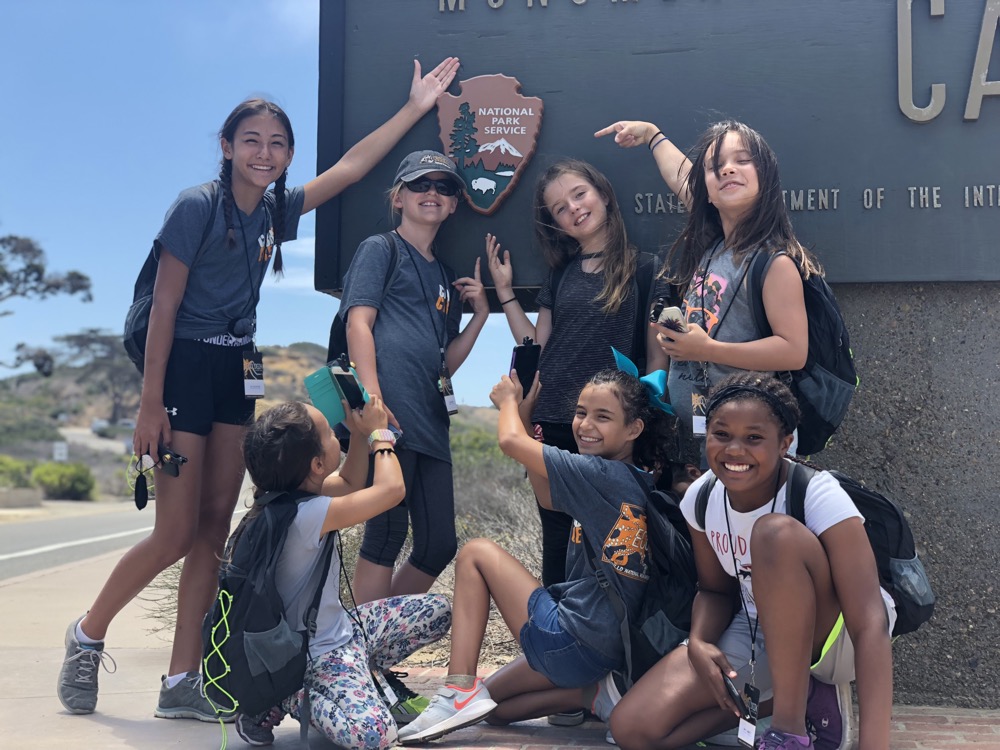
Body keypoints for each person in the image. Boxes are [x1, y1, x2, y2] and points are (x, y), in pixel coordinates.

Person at [57, 57, 461, 720]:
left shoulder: (278, 209)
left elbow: (354, 167)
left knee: (215, 530)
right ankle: (87, 633)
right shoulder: (197, 207)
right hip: (183, 365)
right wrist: (150, 402)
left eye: (277, 144)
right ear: (226, 146)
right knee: (174, 532)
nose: (264, 153)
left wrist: (417, 108)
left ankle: (181, 681)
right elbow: (164, 307)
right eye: (251, 140)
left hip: (237, 368)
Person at [607, 372, 894, 750]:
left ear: (785, 443)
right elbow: (714, 589)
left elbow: (869, 620)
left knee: (773, 534)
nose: (735, 450)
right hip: (754, 623)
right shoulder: (702, 497)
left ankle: (789, 733)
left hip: (834, 632)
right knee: (632, 729)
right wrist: (698, 640)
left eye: (754, 438)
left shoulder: (817, 493)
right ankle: (786, 698)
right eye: (721, 434)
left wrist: (874, 745)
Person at [396, 359, 677, 744]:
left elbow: (510, 442)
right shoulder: (633, 479)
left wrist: (510, 403)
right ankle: (595, 696)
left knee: (476, 553)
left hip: (574, 640)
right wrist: (528, 420)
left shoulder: (598, 474)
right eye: (580, 413)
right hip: (608, 649)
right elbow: (547, 497)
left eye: (603, 417)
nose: (586, 426)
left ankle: (457, 688)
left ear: (634, 429)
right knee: (495, 711)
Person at [485, 158, 670, 604]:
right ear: (555, 224)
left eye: (579, 195)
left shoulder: (647, 268)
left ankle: (608, 650)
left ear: (603, 193)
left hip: (609, 427)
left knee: (614, 545)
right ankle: (558, 644)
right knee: (556, 540)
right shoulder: (560, 274)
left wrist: (644, 431)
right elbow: (538, 346)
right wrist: (506, 292)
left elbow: (656, 357)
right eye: (559, 208)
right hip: (551, 422)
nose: (573, 209)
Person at [231, 398, 451, 748]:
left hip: (344, 633)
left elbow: (349, 482)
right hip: (312, 657)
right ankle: (289, 695)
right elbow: (391, 491)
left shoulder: (284, 501)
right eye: (330, 434)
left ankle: (358, 677)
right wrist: (380, 435)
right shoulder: (309, 516)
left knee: (437, 611)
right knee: (374, 736)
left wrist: (356, 435)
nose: (337, 435)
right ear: (317, 464)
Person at [596, 120, 820, 463]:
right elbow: (685, 178)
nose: (727, 168)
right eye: (715, 167)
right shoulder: (714, 247)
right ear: (708, 192)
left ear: (767, 176)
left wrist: (708, 348)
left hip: (749, 443)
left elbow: (792, 351)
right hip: (701, 439)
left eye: (742, 160)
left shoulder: (773, 262)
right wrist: (654, 136)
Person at [340, 150, 488, 608]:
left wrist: (480, 317)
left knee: (439, 543)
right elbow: (358, 324)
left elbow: (445, 364)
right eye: (420, 184)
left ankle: (377, 640)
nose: (432, 193)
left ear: (454, 203)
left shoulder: (444, 275)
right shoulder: (380, 249)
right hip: (389, 415)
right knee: (385, 532)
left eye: (444, 187)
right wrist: (373, 402)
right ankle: (364, 658)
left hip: (431, 424)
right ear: (398, 198)